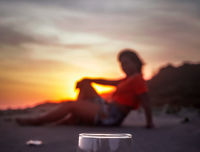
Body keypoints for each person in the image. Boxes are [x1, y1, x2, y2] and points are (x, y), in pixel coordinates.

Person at [16, 49, 154, 128]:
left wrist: (149, 123)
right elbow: (105, 81)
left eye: (126, 63)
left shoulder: (137, 79)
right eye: (121, 64)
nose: (123, 66)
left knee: (71, 105)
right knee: (85, 85)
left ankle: (38, 121)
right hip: (107, 108)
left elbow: (146, 102)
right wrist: (88, 79)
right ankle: (75, 117)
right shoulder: (126, 79)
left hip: (111, 116)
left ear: (136, 62)